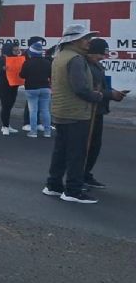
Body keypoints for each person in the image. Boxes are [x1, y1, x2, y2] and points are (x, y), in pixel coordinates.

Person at [42, 24, 102, 204]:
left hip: (61, 111)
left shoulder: (60, 56)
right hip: (75, 113)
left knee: (60, 151)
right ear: (75, 40)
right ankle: (73, 190)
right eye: (86, 38)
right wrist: (96, 95)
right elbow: (80, 88)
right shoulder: (76, 59)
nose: (89, 41)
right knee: (77, 153)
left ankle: (53, 185)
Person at [82, 38, 127, 189]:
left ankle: (86, 174)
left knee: (95, 146)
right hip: (87, 111)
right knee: (84, 146)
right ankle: (78, 176)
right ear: (92, 52)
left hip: (98, 110)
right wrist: (110, 94)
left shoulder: (98, 66)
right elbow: (87, 90)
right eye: (101, 54)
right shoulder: (85, 66)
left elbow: (102, 87)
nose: (103, 57)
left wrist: (114, 94)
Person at [19, 41, 52, 139]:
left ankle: (33, 132)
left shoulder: (27, 63)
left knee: (33, 110)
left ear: (31, 53)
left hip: (31, 89)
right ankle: (47, 132)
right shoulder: (47, 62)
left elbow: (22, 75)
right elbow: (51, 75)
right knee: (45, 110)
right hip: (45, 88)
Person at [0, 42, 21, 136]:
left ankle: (7, 125)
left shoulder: (17, 59)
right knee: (5, 106)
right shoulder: (0, 59)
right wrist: (3, 69)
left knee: (10, 106)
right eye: (15, 50)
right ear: (9, 50)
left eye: (18, 50)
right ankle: (5, 126)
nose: (17, 52)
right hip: (4, 86)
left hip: (14, 86)